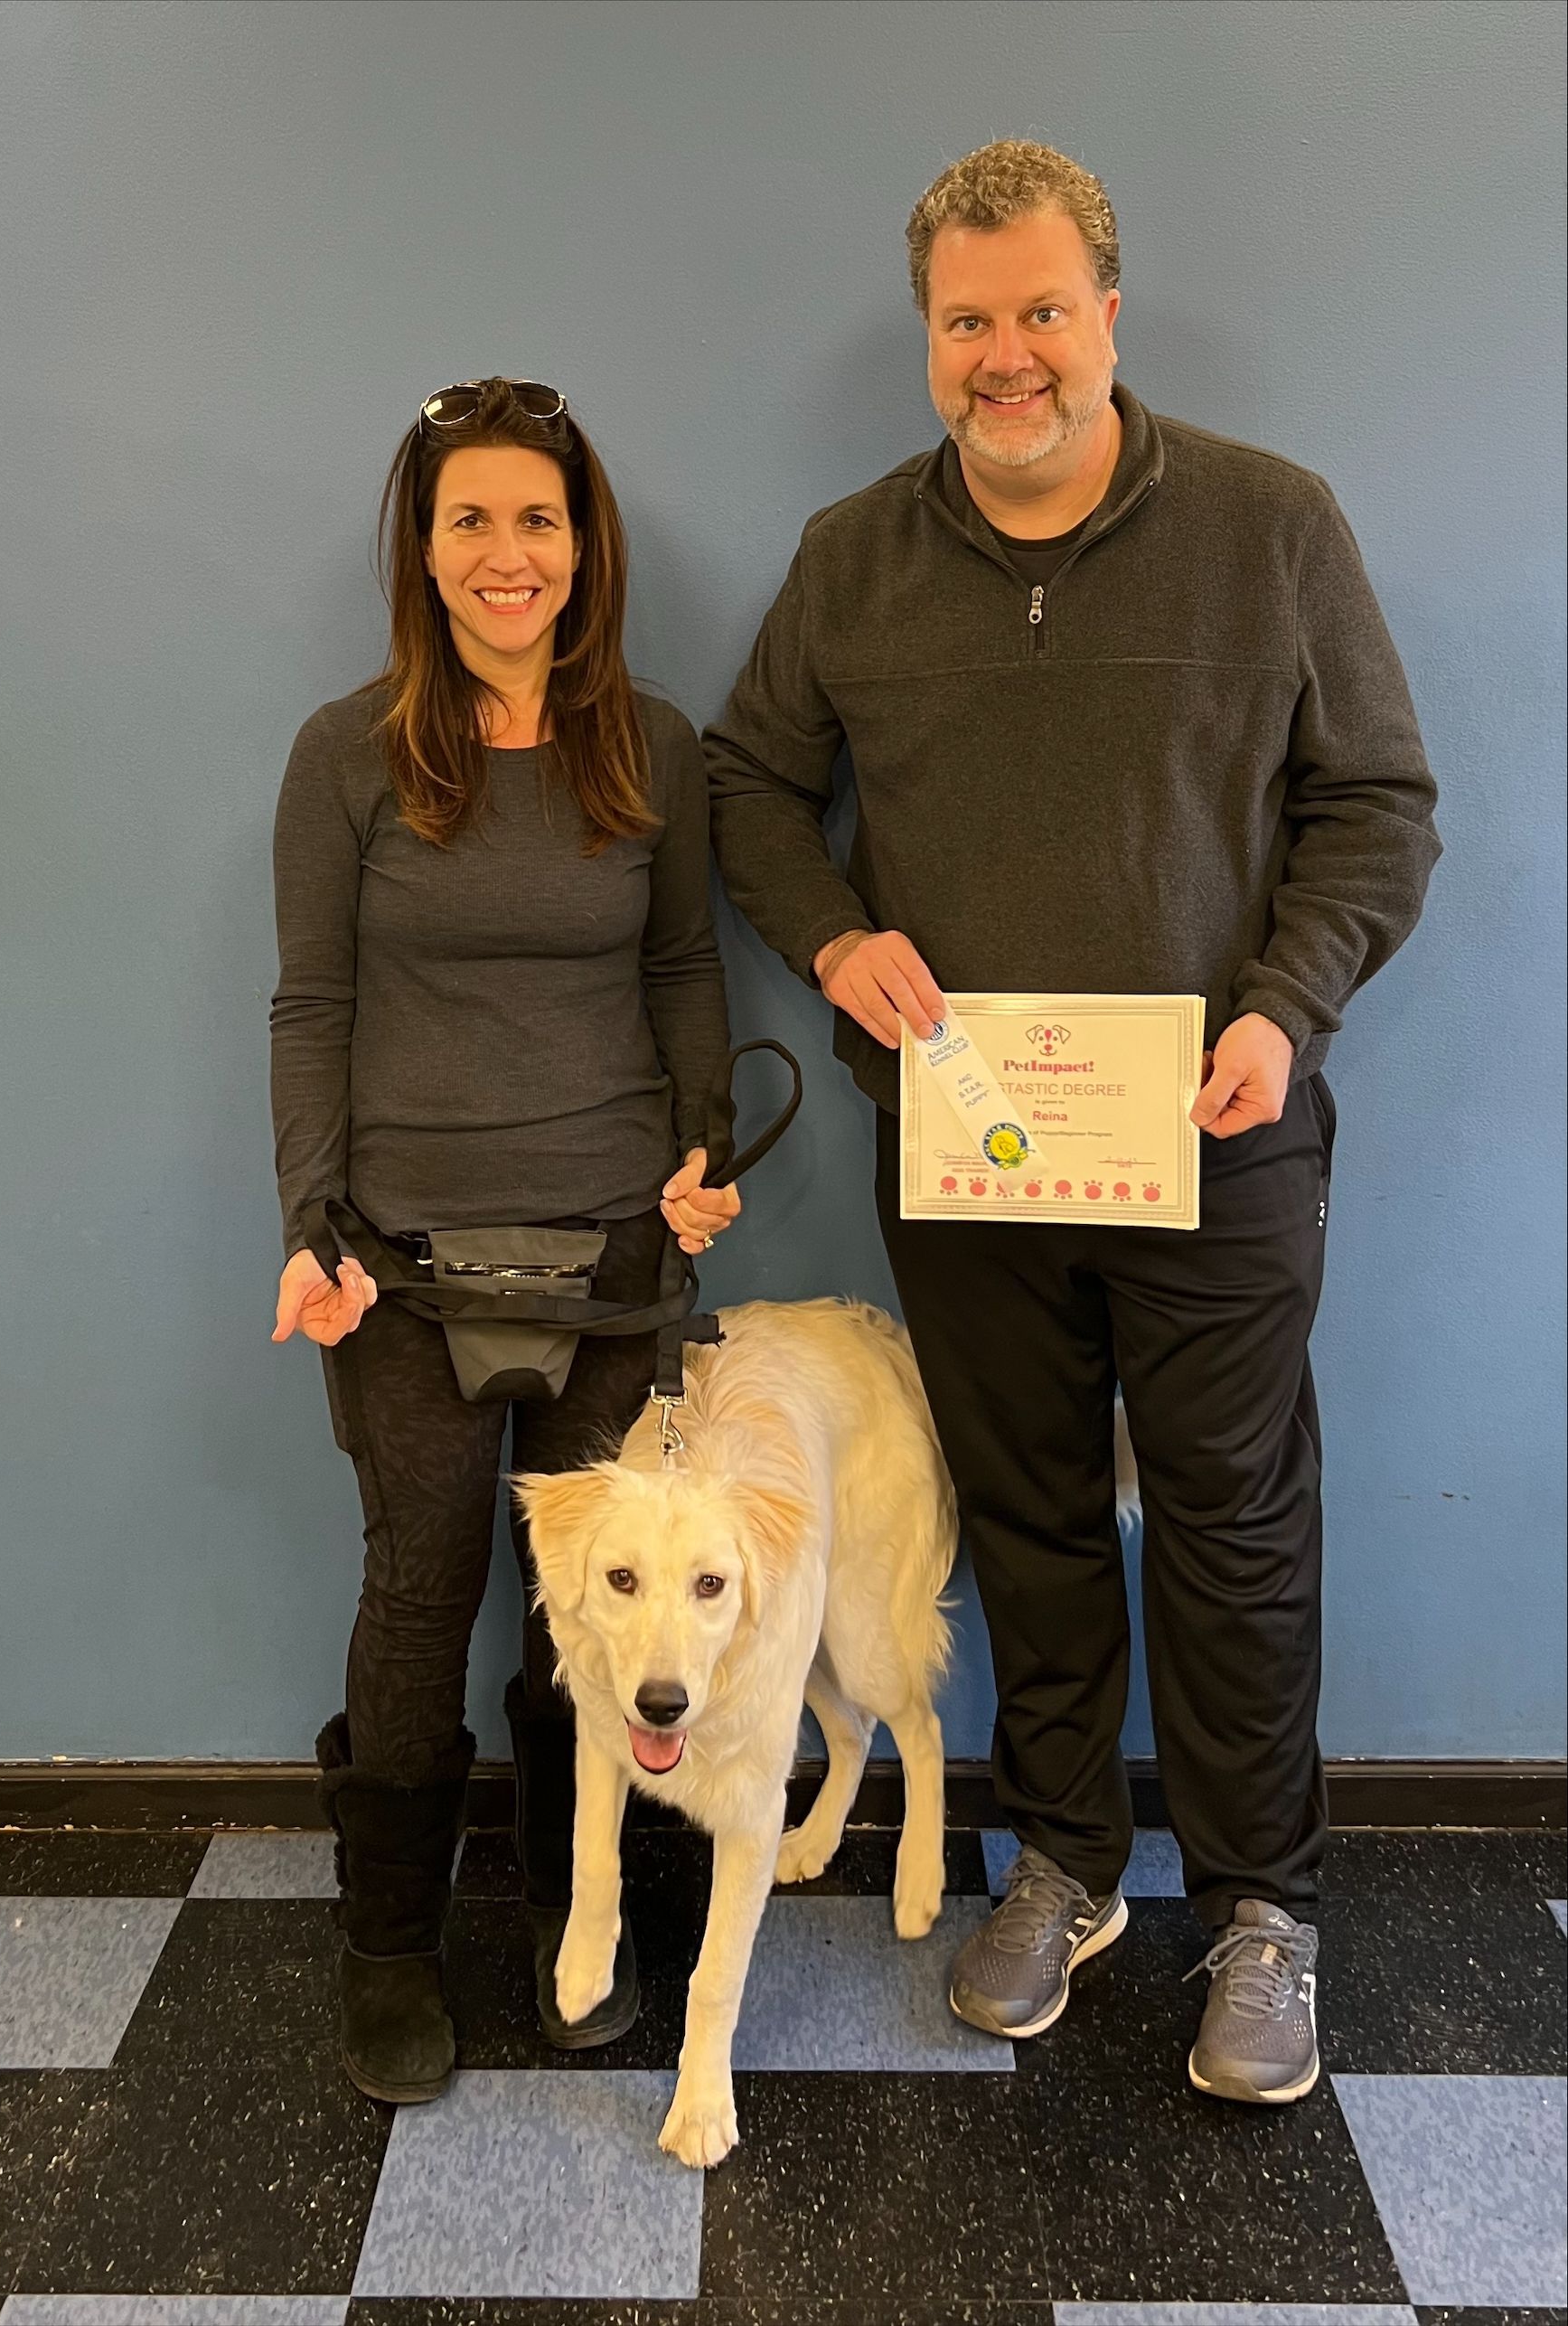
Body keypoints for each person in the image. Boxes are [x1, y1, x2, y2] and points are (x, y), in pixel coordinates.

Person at [705, 143, 1440, 2105]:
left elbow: (1377, 803)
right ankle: (1064, 1861)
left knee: (1229, 1522)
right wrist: (835, 937)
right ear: (927, 336)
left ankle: (1263, 1906)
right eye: (967, 321)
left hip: (1220, 1134)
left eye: (1041, 311)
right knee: (1023, 1516)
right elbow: (748, 787)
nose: (1005, 355)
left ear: (1107, 313)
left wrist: (1285, 1008)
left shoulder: (1272, 527)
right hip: (968, 1153)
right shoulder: (850, 558)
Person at [270, 377, 738, 2103]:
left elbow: (682, 965)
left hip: (613, 1250)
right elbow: (312, 1004)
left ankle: (576, 1916)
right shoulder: (346, 752)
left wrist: (701, 1149)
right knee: (422, 1596)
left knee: (590, 1620)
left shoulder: (653, 746)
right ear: (423, 548)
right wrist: (310, 1218)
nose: (505, 552)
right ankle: (389, 1948)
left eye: (536, 517)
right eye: (468, 518)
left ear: (581, 543)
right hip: (399, 1259)